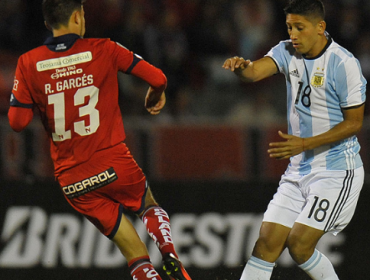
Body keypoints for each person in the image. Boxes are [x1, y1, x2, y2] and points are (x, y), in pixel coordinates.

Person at [7, 1, 192, 280]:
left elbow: (17, 123)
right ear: (79, 16)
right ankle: (169, 252)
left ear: (48, 24)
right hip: (112, 161)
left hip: (73, 179)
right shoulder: (104, 48)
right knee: (147, 204)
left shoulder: (28, 63)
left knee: (134, 255)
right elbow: (158, 77)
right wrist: (156, 93)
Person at [223, 0, 366, 279]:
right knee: (266, 243)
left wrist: (303, 144)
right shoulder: (287, 50)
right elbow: (254, 72)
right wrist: (242, 68)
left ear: (320, 27)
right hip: (298, 169)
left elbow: (354, 123)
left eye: (300, 28)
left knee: (299, 245)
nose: (294, 35)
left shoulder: (344, 63)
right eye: (290, 27)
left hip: (336, 171)